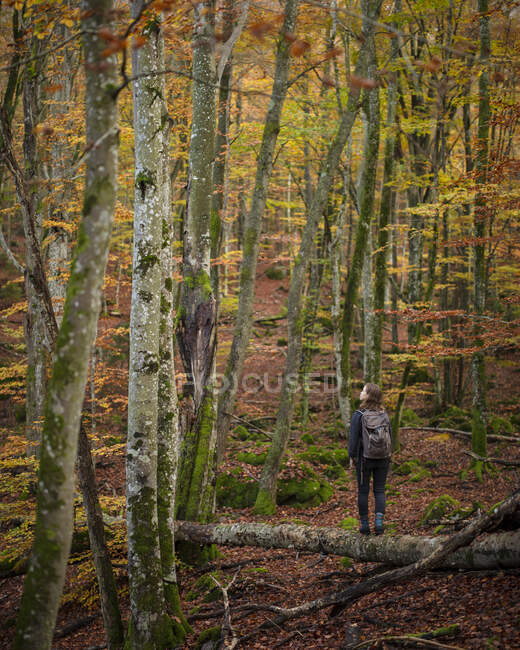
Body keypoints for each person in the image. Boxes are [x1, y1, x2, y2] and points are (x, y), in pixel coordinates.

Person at [348, 383, 391, 535]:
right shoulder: (384, 414)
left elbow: (353, 440)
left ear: (368, 395)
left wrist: (351, 457)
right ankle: (379, 524)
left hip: (363, 459)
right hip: (383, 458)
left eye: (363, 391)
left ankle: (365, 525)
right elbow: (389, 436)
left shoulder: (358, 415)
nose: (361, 392)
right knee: (379, 490)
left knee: (363, 491)